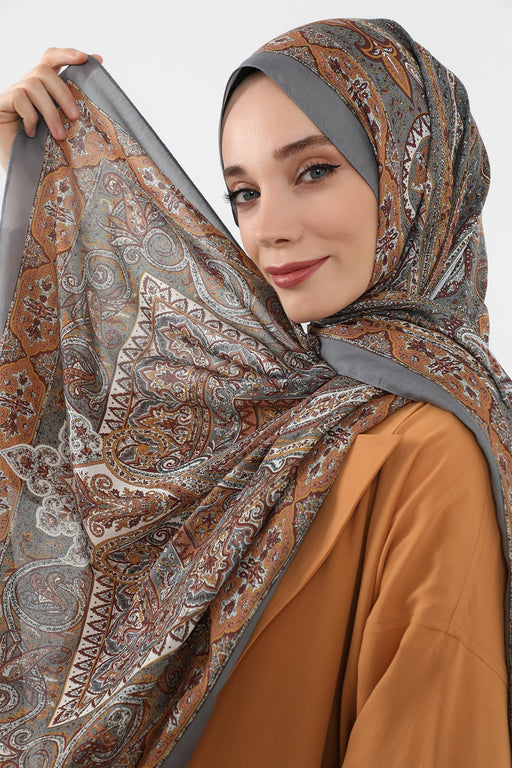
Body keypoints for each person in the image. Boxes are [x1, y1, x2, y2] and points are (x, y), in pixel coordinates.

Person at [0, 18, 511, 768]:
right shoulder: (272, 414)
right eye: (243, 192)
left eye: (314, 171)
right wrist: (24, 165)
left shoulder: (431, 453)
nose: (267, 229)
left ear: (418, 179)